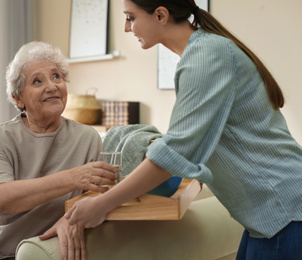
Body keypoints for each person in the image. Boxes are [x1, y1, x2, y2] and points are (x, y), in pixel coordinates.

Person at [63, 0, 302, 259]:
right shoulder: (203, 52)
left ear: (161, 15)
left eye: (130, 17)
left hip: (283, 211)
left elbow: (176, 151)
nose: (126, 28)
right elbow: (190, 143)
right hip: (272, 215)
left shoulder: (206, 56)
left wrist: (101, 204)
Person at [0, 41, 117, 260]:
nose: (52, 86)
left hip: (34, 250)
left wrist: (69, 219)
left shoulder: (87, 138)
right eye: (37, 81)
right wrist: (72, 178)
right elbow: (3, 199)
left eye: (56, 77)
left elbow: (97, 195)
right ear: (18, 98)